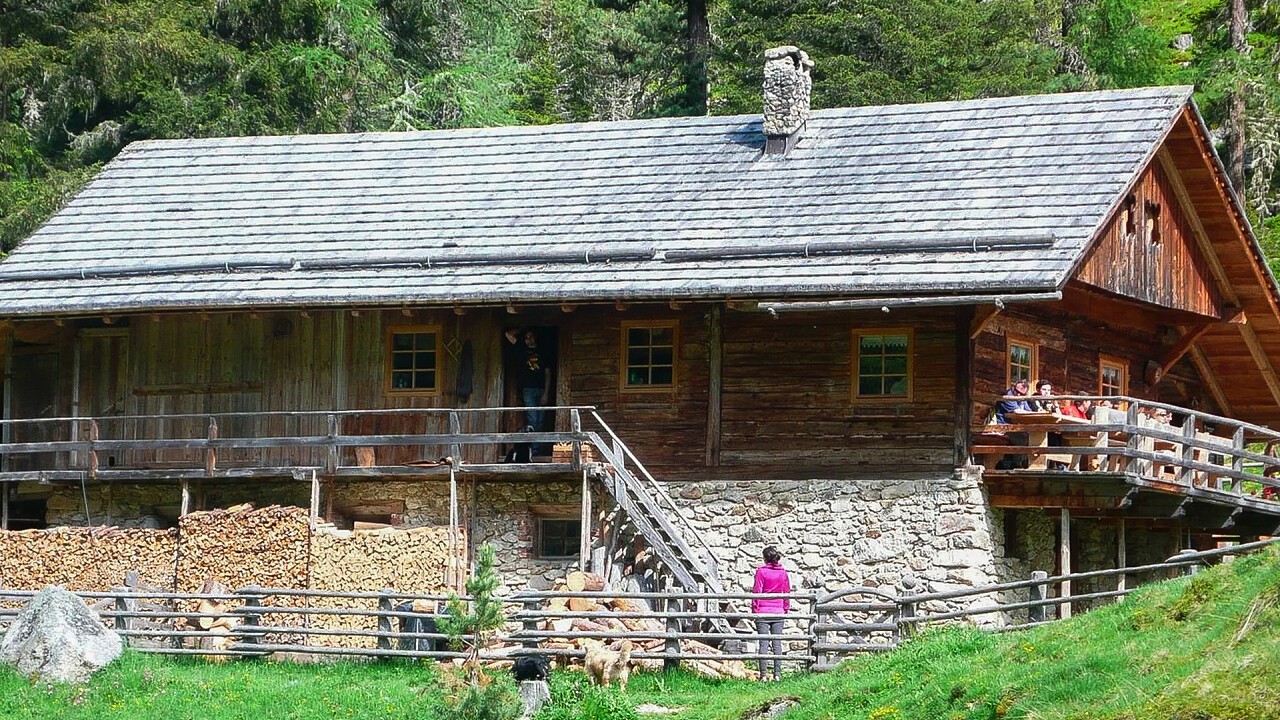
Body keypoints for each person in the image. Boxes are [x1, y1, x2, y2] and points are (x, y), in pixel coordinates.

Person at [751, 546, 791, 681]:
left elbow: (757, 591)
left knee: (763, 643)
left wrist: (754, 609)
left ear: (765, 558)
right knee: (777, 643)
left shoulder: (761, 572)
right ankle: (777, 674)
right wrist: (785, 608)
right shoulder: (783, 573)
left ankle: (763, 675)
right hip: (778, 610)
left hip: (763, 610)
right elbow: (786, 592)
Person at [511, 329, 552, 435]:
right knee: (533, 419)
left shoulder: (543, 352)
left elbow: (548, 373)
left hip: (541, 389)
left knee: (541, 421)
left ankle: (538, 448)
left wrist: (546, 393)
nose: (529, 340)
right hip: (528, 389)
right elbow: (508, 334)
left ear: (535, 337)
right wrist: (522, 327)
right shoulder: (522, 350)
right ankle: (535, 450)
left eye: (531, 337)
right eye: (527, 338)